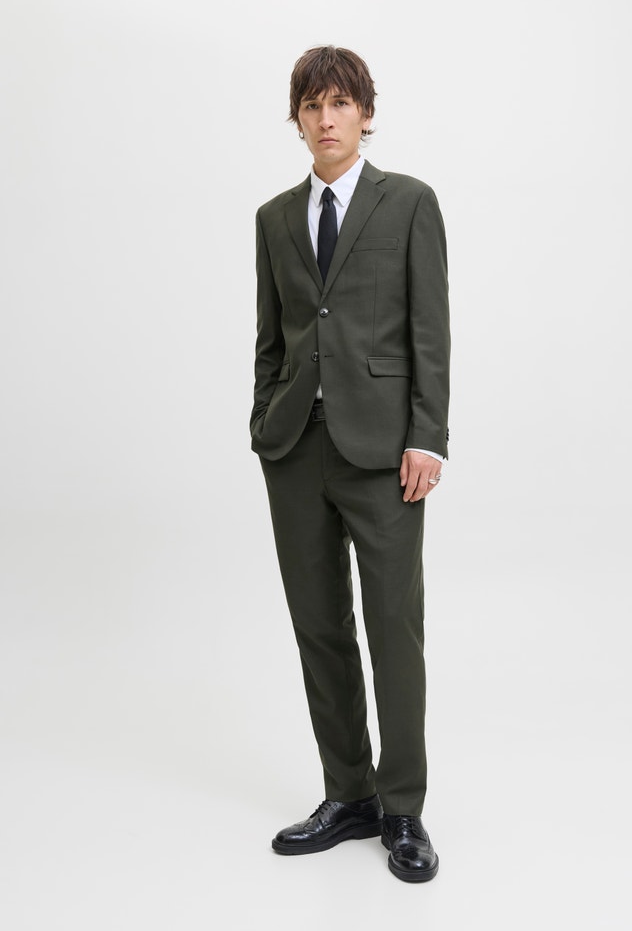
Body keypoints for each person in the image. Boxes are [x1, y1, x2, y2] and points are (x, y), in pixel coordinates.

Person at [250, 44, 450, 883]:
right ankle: (350, 794)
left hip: (385, 452)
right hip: (296, 448)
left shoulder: (408, 203)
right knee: (319, 625)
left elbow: (430, 327)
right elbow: (271, 338)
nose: (325, 119)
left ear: (366, 114)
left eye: (340, 103)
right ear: (296, 120)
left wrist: (428, 436)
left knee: (393, 627)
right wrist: (264, 423)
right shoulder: (273, 218)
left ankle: (402, 808)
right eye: (311, 106)